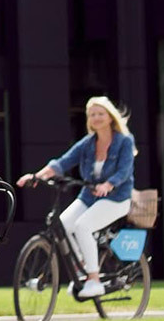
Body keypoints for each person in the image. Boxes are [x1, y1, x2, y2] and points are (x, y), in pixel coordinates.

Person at [17, 97, 136, 299]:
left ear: (109, 117)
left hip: (117, 198)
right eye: (92, 115)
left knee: (82, 226)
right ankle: (81, 268)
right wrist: (37, 176)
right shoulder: (88, 144)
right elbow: (62, 163)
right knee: (62, 225)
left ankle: (94, 279)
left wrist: (109, 184)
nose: (96, 118)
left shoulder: (124, 141)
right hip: (90, 196)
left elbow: (124, 171)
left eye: (100, 114)